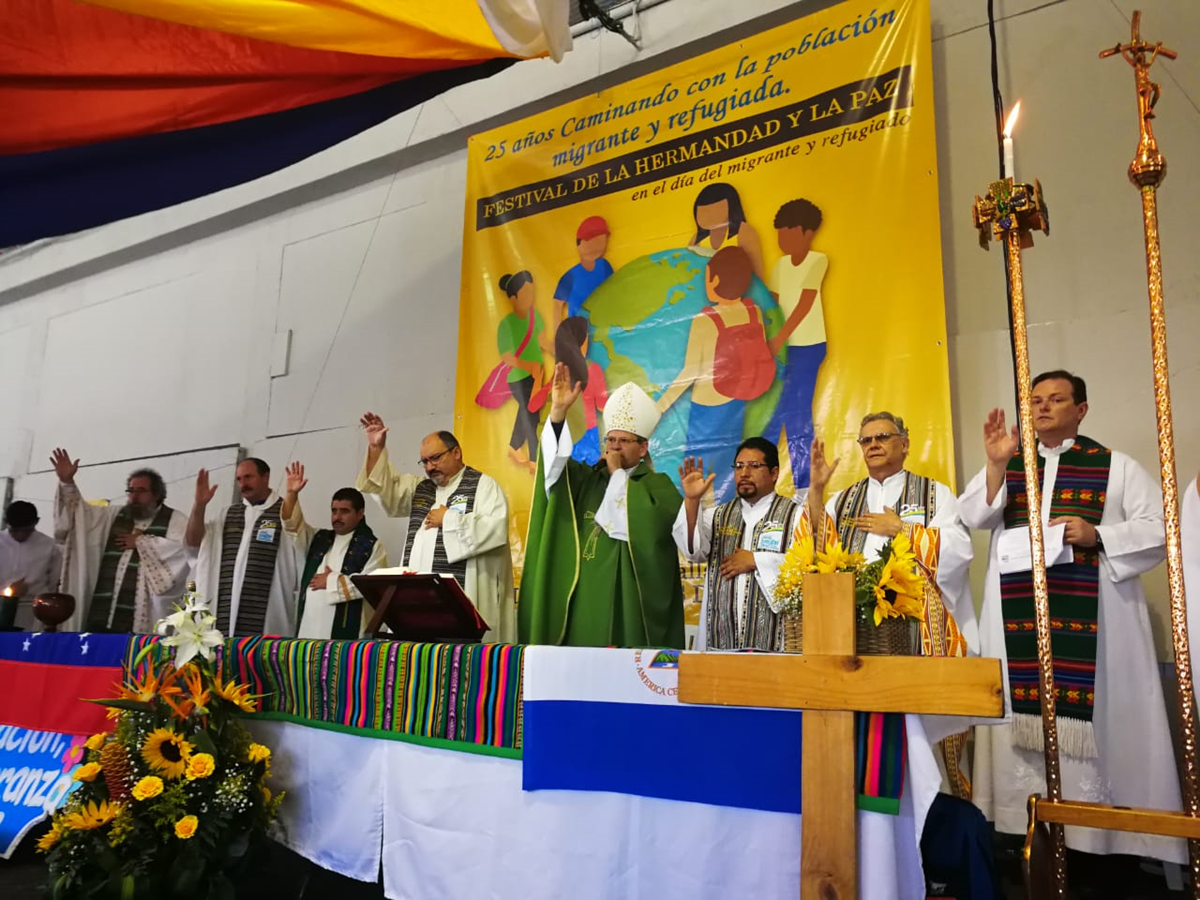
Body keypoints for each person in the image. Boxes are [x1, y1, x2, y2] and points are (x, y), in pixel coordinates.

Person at [959, 370, 1184, 863]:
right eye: (1035, 400)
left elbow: (1160, 530)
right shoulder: (1012, 464)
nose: (1042, 408)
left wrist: (1096, 534)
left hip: (1095, 627)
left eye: (1056, 400)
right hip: (1019, 622)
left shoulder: (1114, 466)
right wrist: (996, 466)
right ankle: (1023, 827)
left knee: (1098, 723)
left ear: (1081, 409)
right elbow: (974, 516)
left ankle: (1096, 839)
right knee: (1023, 722)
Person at [805, 412, 973, 797]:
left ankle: (930, 816)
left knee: (914, 740)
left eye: (883, 436)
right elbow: (814, 552)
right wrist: (816, 492)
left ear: (905, 443)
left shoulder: (934, 494)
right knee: (860, 739)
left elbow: (961, 550)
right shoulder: (842, 499)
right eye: (866, 440)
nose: (874, 445)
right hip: (854, 637)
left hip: (914, 634)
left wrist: (903, 530)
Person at [521, 366, 684, 648]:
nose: (615, 448)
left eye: (624, 441)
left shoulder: (658, 487)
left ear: (643, 448)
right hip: (583, 598)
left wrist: (618, 474)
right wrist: (558, 413)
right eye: (611, 440)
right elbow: (553, 472)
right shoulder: (587, 480)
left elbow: (652, 536)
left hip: (627, 602)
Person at [356, 415, 515, 643]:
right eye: (425, 462)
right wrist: (376, 447)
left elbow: (495, 529)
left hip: (463, 603)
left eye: (436, 458)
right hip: (419, 606)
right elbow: (384, 489)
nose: (430, 467)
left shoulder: (483, 486)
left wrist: (448, 519)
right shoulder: (420, 488)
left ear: (456, 453)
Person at [657, 246, 775, 503]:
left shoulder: (706, 319)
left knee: (697, 475)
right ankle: (729, 518)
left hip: (706, 410)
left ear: (716, 280)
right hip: (736, 402)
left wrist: (659, 407)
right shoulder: (752, 310)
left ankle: (702, 530)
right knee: (728, 468)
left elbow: (690, 372)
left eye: (707, 276)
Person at [673, 438, 800, 650]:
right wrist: (692, 501)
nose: (744, 473)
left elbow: (805, 568)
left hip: (775, 639)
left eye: (754, 466)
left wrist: (756, 560)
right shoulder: (716, 515)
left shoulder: (795, 515)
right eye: (739, 467)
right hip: (719, 637)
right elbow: (693, 550)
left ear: (774, 473)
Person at [50, 448, 188, 633]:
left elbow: (184, 553)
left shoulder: (176, 520)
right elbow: (80, 515)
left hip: (144, 616)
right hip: (105, 610)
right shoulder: (113, 516)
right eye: (130, 490)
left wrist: (142, 543)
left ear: (156, 494)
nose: (134, 496)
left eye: (141, 491)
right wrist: (67, 482)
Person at [186, 458, 300, 637]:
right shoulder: (228, 514)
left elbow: (299, 540)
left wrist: (292, 495)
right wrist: (199, 506)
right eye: (239, 479)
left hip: (268, 615)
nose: (243, 484)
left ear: (266, 477)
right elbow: (194, 542)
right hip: (224, 614)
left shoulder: (283, 513)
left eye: (248, 477)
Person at [763, 198, 828, 491]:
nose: (782, 239)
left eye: (787, 233)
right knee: (773, 413)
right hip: (782, 348)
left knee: (798, 412)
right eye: (779, 233)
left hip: (807, 346)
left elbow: (804, 304)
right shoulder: (780, 265)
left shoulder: (817, 260)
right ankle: (765, 480)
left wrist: (779, 338)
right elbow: (774, 303)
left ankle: (804, 487)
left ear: (806, 233)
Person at [280, 464, 388, 640]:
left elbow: (373, 585)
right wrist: (292, 494)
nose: (337, 517)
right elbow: (292, 525)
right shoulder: (318, 539)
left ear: (360, 514)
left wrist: (330, 581)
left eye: (344, 511)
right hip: (309, 627)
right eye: (334, 511)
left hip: (345, 637)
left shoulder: (371, 546)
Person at [529, 316, 608, 465]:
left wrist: (538, 379)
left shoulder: (558, 376)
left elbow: (533, 405)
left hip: (561, 445)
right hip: (587, 442)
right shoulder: (591, 368)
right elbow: (603, 407)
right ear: (582, 342)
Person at [495, 270, 549, 471]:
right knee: (531, 411)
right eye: (525, 294)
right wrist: (529, 366)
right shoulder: (506, 324)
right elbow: (507, 357)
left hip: (537, 376)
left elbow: (542, 341)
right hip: (518, 377)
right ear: (513, 297)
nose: (530, 298)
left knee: (532, 412)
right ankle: (530, 456)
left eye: (531, 293)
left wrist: (563, 350)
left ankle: (518, 448)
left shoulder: (535, 316)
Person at [0, 500, 61, 631]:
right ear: (6, 522)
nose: (21, 535)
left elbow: (54, 582)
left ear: (36, 522)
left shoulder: (49, 546)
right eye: (15, 530)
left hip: (31, 611)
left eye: (27, 530)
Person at [687, 182, 765, 282]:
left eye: (714, 211)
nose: (709, 217)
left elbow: (758, 272)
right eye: (704, 213)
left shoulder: (744, 231)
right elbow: (689, 270)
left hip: (739, 291)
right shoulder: (697, 238)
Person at [553, 215, 613, 323]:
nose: (597, 247)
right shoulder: (571, 276)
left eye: (601, 241)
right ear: (579, 243)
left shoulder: (604, 266)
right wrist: (559, 335)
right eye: (592, 242)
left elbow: (614, 291)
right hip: (579, 333)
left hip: (604, 326)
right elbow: (557, 305)